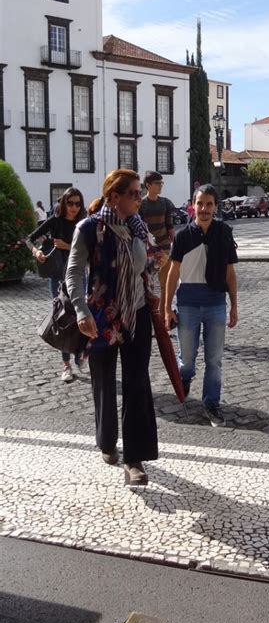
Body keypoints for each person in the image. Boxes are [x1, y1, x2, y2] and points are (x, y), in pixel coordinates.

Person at [65, 169, 158, 486]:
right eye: (134, 193)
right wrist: (80, 309)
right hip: (102, 318)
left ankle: (135, 460)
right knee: (103, 382)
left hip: (137, 314)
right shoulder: (89, 228)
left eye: (140, 192)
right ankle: (106, 441)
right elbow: (73, 272)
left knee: (137, 383)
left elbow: (149, 265)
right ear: (114, 197)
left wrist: (153, 290)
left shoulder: (137, 227)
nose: (140, 198)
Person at [164, 184, 238, 427]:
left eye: (209, 204)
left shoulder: (224, 232)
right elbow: (173, 274)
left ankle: (211, 403)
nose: (204, 209)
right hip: (187, 304)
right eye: (200, 204)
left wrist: (234, 306)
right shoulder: (183, 236)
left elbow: (230, 272)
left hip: (216, 302)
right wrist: (167, 307)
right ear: (192, 206)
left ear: (215, 206)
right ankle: (185, 378)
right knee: (186, 360)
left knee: (214, 361)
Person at [28, 187, 87, 382]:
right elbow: (29, 239)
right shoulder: (55, 221)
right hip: (58, 275)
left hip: (78, 274)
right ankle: (66, 365)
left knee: (81, 314)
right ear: (63, 203)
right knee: (62, 317)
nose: (74, 208)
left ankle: (80, 355)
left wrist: (67, 246)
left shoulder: (83, 222)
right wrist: (36, 252)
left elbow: (90, 249)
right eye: (70, 203)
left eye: (78, 204)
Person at [139, 171, 175, 308]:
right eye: (157, 183)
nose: (160, 186)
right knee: (147, 282)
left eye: (162, 183)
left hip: (165, 248)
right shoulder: (141, 205)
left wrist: (175, 244)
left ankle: (164, 311)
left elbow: (169, 225)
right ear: (148, 185)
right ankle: (149, 311)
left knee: (166, 283)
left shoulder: (165, 203)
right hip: (148, 251)